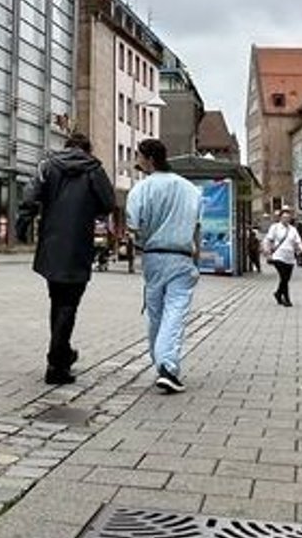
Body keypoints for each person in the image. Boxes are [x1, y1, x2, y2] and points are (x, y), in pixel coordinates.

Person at [19, 131, 115, 385]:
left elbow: (30, 195)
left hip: (51, 245)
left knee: (57, 300)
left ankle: (62, 353)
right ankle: (56, 363)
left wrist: (23, 222)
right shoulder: (94, 169)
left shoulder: (48, 166)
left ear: (67, 147)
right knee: (69, 304)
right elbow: (108, 202)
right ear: (87, 149)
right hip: (78, 245)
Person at [124, 138, 199, 394]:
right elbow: (197, 225)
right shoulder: (190, 189)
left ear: (149, 159)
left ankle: (162, 364)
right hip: (182, 256)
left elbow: (134, 226)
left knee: (156, 312)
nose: (137, 162)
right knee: (175, 310)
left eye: (139, 157)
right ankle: (167, 365)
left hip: (153, 257)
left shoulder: (141, 190)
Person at [262, 208, 301, 307]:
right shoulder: (275, 227)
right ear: (280, 218)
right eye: (284, 217)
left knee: (286, 278)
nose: (286, 219)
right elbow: (268, 239)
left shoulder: (293, 229)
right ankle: (287, 299)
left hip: (290, 257)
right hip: (278, 256)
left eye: (288, 217)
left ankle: (278, 294)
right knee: (283, 277)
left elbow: (298, 241)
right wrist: (267, 252)